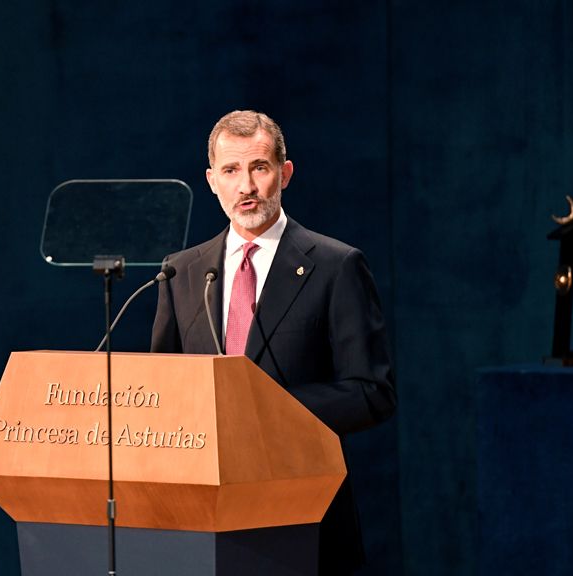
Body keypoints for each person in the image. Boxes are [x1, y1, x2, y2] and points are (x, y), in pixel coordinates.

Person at [151, 110, 397, 574]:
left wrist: (264, 407)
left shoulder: (336, 265)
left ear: (284, 173)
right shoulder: (179, 272)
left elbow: (373, 392)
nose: (246, 186)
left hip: (301, 508)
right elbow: (165, 392)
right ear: (211, 181)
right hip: (200, 522)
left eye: (259, 168)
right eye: (230, 171)